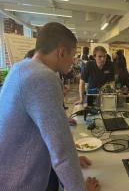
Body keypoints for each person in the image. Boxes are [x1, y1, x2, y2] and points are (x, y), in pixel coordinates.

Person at [0, 22, 100, 191]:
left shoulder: (19, 68)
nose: (73, 61)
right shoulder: (43, 78)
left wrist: (74, 160)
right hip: (21, 183)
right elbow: (61, 148)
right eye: (73, 54)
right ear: (61, 52)